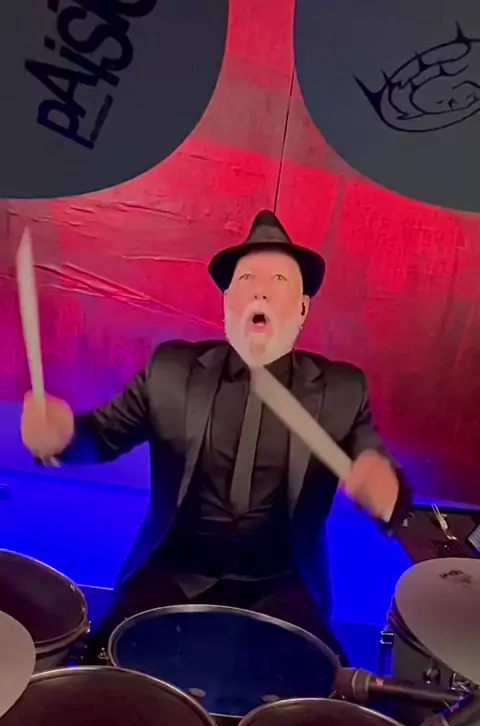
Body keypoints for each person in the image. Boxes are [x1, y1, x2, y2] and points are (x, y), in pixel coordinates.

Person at [21, 211, 410, 664]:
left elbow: (381, 473)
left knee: (331, 690)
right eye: (246, 279)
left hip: (282, 586)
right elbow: (103, 434)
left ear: (303, 308)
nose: (260, 291)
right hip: (173, 573)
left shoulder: (342, 390)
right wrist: (64, 437)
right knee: (100, 666)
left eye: (279, 280)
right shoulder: (172, 370)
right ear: (227, 302)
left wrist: (385, 492)